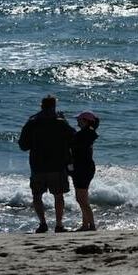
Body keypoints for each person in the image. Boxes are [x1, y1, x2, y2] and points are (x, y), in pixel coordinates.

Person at [18, 95, 75, 233]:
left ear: (41, 106)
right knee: (58, 195)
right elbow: (73, 138)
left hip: (38, 165)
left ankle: (43, 223)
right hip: (57, 165)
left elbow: (23, 145)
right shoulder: (60, 122)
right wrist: (65, 120)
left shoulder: (32, 122)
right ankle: (59, 224)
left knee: (37, 196)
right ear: (54, 106)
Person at [71, 111, 100, 232]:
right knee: (82, 197)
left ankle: (91, 225)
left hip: (83, 168)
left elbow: (73, 140)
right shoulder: (88, 133)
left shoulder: (87, 134)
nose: (77, 122)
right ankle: (85, 224)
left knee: (81, 198)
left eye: (79, 120)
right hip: (85, 167)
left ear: (85, 121)